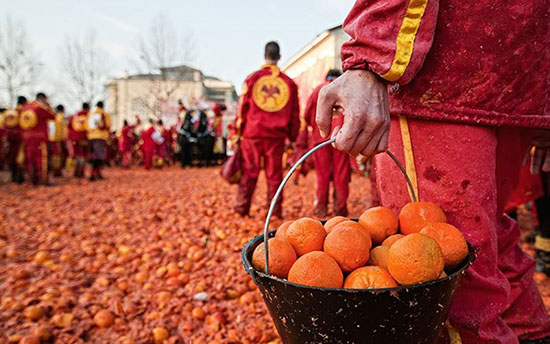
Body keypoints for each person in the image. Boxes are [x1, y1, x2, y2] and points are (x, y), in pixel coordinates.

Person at [315, 1, 550, 343]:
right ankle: (532, 333)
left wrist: (370, 58)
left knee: (445, 279)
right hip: (516, 73)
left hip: (445, 76)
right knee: (486, 240)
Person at [233, 41, 300, 218]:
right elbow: (295, 113)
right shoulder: (288, 84)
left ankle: (241, 210)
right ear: (279, 57)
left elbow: (242, 109)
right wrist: (292, 137)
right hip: (276, 137)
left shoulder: (252, 79)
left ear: (265, 56)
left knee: (249, 172)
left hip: (252, 135)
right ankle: (274, 214)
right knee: (274, 176)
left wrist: (237, 133)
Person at [299, 69, 350, 217]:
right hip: (342, 137)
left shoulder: (318, 90)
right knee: (341, 175)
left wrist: (317, 128)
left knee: (322, 175)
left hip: (321, 138)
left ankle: (321, 210)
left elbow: (307, 116)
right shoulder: (345, 89)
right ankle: (341, 209)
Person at [19, 93, 56, 185]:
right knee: (41, 159)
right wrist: (48, 106)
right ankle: (43, 180)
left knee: (30, 158)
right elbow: (53, 116)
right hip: (40, 138)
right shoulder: (39, 108)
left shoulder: (24, 108)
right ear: (42, 99)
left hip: (27, 138)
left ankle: (32, 179)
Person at [85, 101, 111, 181]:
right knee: (99, 156)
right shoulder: (104, 114)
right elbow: (108, 125)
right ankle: (93, 174)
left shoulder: (90, 114)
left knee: (94, 155)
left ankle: (98, 173)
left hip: (91, 137)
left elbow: (86, 126)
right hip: (100, 137)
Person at [4, 97, 26, 183]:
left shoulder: (9, 112)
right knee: (20, 157)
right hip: (20, 137)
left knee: (12, 156)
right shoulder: (23, 112)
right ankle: (19, 177)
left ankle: (14, 176)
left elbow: (5, 125)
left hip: (10, 137)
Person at [68, 103, 90, 178]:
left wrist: (71, 138)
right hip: (84, 138)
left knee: (77, 155)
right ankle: (81, 172)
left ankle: (76, 172)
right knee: (83, 155)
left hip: (74, 139)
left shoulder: (74, 116)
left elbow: (69, 127)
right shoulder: (88, 116)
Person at [48, 104, 66, 177]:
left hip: (52, 138)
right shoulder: (60, 117)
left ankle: (56, 170)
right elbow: (62, 129)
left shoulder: (52, 117)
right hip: (57, 139)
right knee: (57, 155)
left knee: (55, 155)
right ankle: (57, 171)